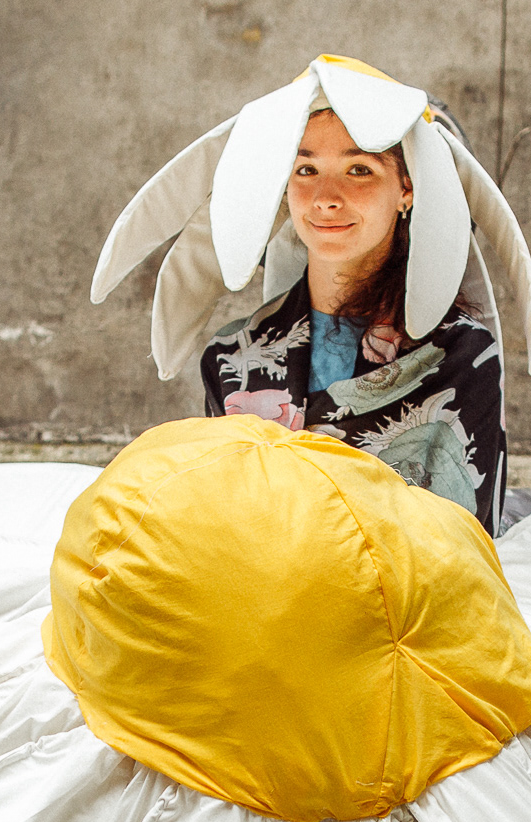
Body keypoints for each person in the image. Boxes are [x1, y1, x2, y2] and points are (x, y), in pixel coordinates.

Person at [200, 106, 508, 535]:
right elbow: (219, 524)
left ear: (407, 189)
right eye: (306, 169)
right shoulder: (232, 355)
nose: (326, 196)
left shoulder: (464, 356)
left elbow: (466, 546)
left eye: (359, 169)